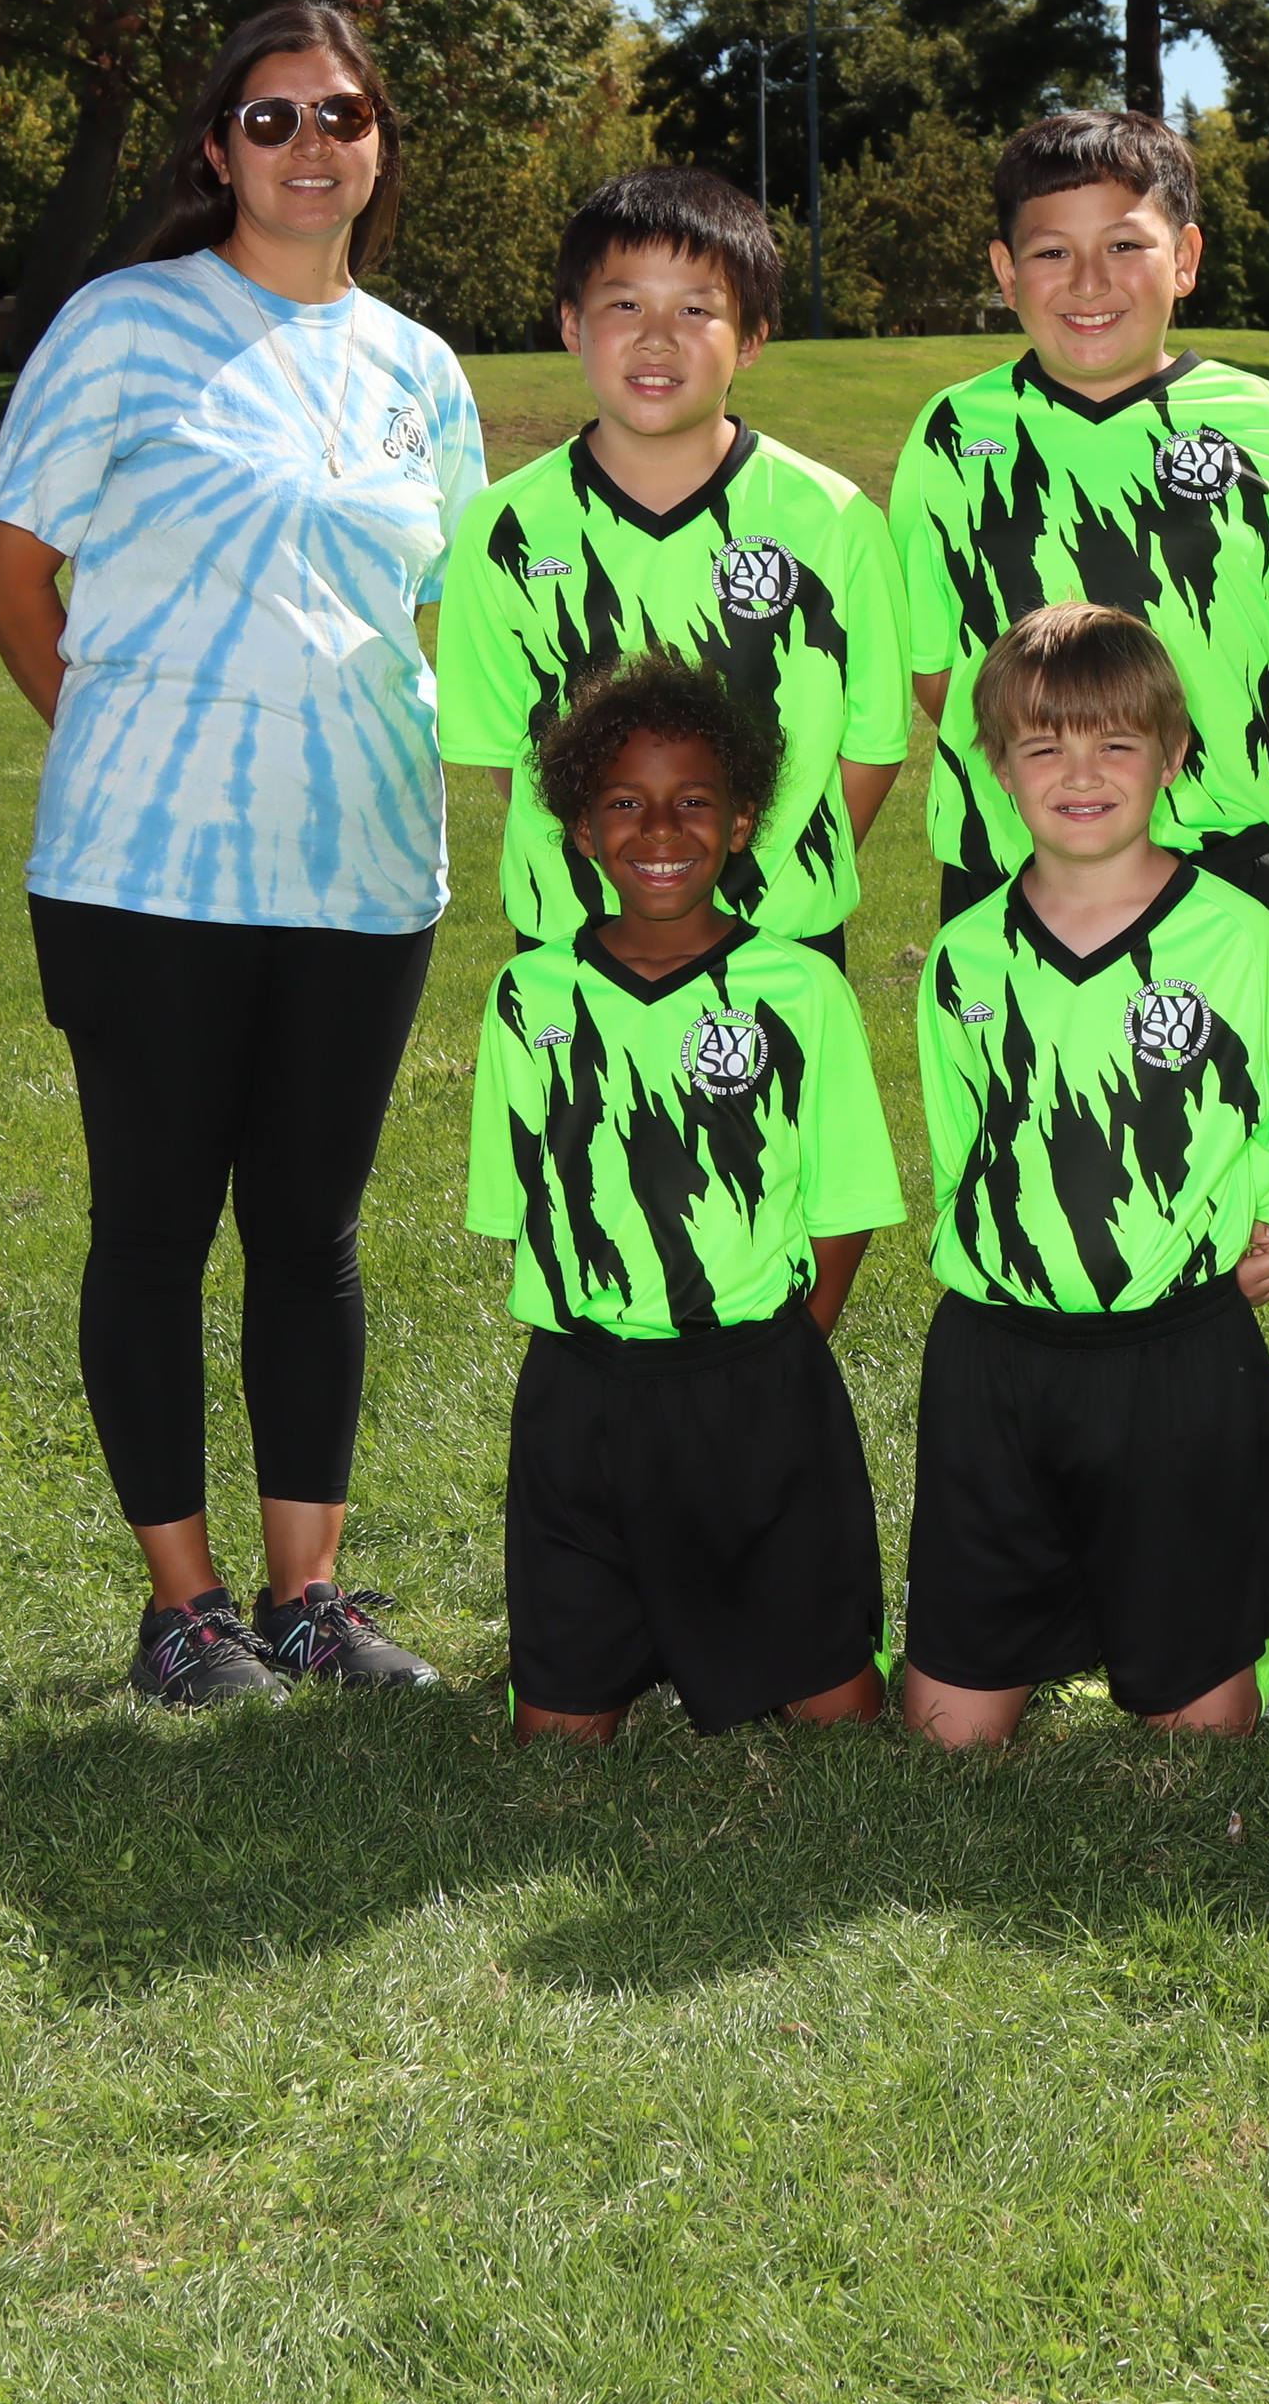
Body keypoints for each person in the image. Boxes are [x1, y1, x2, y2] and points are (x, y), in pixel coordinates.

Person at [0, 0, 488, 1710]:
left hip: (363, 870)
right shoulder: (126, 325)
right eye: (272, 119)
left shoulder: (421, 370)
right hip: (147, 873)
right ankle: (182, 1613)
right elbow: (10, 576)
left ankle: (309, 1599)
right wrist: (123, 742)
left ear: (378, 146)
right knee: (154, 1229)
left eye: (341, 115)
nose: (309, 145)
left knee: (312, 1236)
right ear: (219, 149)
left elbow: (436, 610)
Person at [898, 606, 1269, 1746]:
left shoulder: (1239, 938)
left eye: (1116, 744)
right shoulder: (965, 953)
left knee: (1203, 1733)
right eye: (1043, 747)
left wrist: (1255, 1232)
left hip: (1177, 1359)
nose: (1079, 775)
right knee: (944, 1734)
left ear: (1173, 754)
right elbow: (961, 1144)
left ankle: (1217, 1629)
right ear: (998, 767)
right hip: (996, 1359)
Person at [471, 660, 903, 1741]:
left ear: (741, 821)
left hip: (757, 1383)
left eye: (693, 801)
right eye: (624, 802)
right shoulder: (528, 996)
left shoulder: (800, 989)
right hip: (584, 1396)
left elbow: (844, 1204)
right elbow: (524, 1210)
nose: (659, 829)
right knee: (557, 1743)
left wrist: (778, 1356)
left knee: (843, 1720)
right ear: (582, 828)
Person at [894, 111, 1269, 985]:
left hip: (1221, 873)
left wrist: (1212, 789)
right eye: (1052, 252)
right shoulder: (952, 434)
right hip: (1008, 871)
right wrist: (1062, 793)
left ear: (1184, 258)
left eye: (1124, 245)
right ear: (1006, 272)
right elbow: (938, 671)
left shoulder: (1264, 427)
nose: (1089, 281)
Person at [439, 168, 905, 963]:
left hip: (777, 939)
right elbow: (501, 751)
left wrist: (778, 883)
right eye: (625, 305)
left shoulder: (832, 520)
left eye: (696, 309)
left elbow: (873, 744)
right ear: (571, 324)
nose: (657, 338)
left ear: (751, 338)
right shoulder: (504, 526)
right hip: (577, 943)